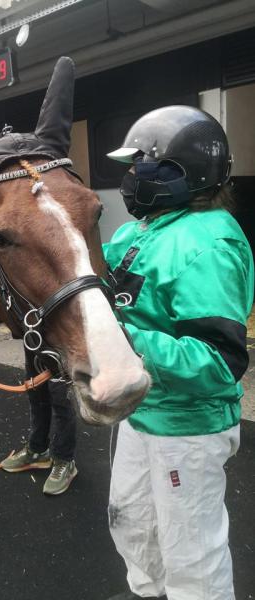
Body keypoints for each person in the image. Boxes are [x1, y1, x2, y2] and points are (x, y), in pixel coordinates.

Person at [102, 105, 254, 600]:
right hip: (141, 409)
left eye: (139, 165)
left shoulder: (209, 244)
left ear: (181, 170)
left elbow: (219, 362)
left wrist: (123, 340)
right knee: (131, 524)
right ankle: (148, 592)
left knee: (192, 556)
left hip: (188, 425)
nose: (130, 178)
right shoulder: (137, 232)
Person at [1, 346, 78, 495]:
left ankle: (64, 460)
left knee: (61, 400)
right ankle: (38, 450)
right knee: (36, 393)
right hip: (33, 340)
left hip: (58, 343)